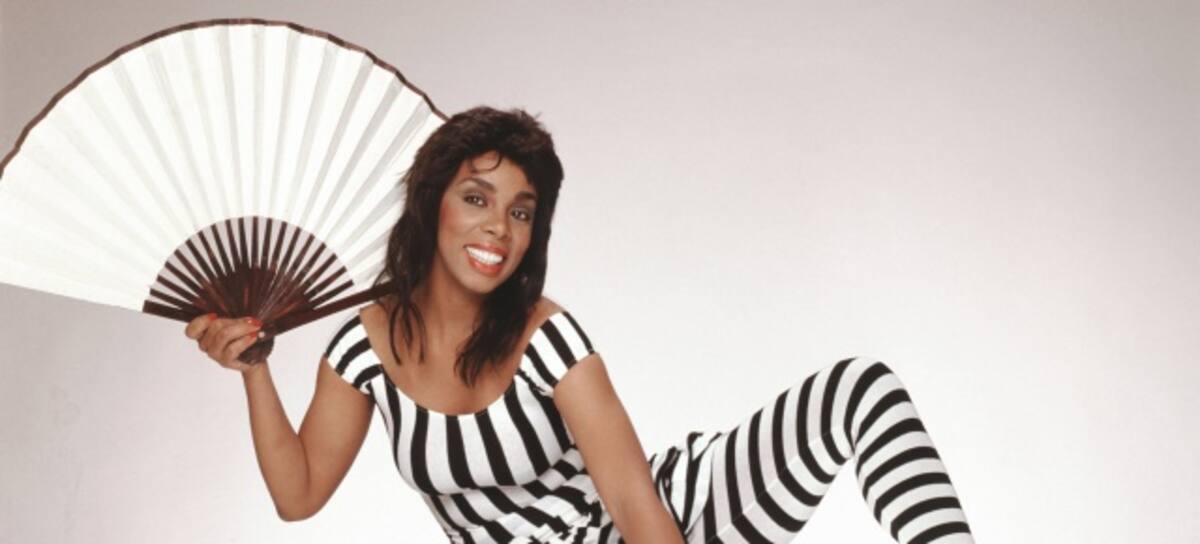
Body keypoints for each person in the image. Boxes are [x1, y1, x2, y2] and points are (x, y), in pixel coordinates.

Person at [184, 106, 976, 543]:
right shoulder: (364, 347)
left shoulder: (546, 335)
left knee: (859, 391)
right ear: (432, 205)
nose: (498, 229)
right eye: (477, 198)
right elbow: (298, 495)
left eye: (521, 211)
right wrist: (255, 370)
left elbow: (635, 505)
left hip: (667, 517)